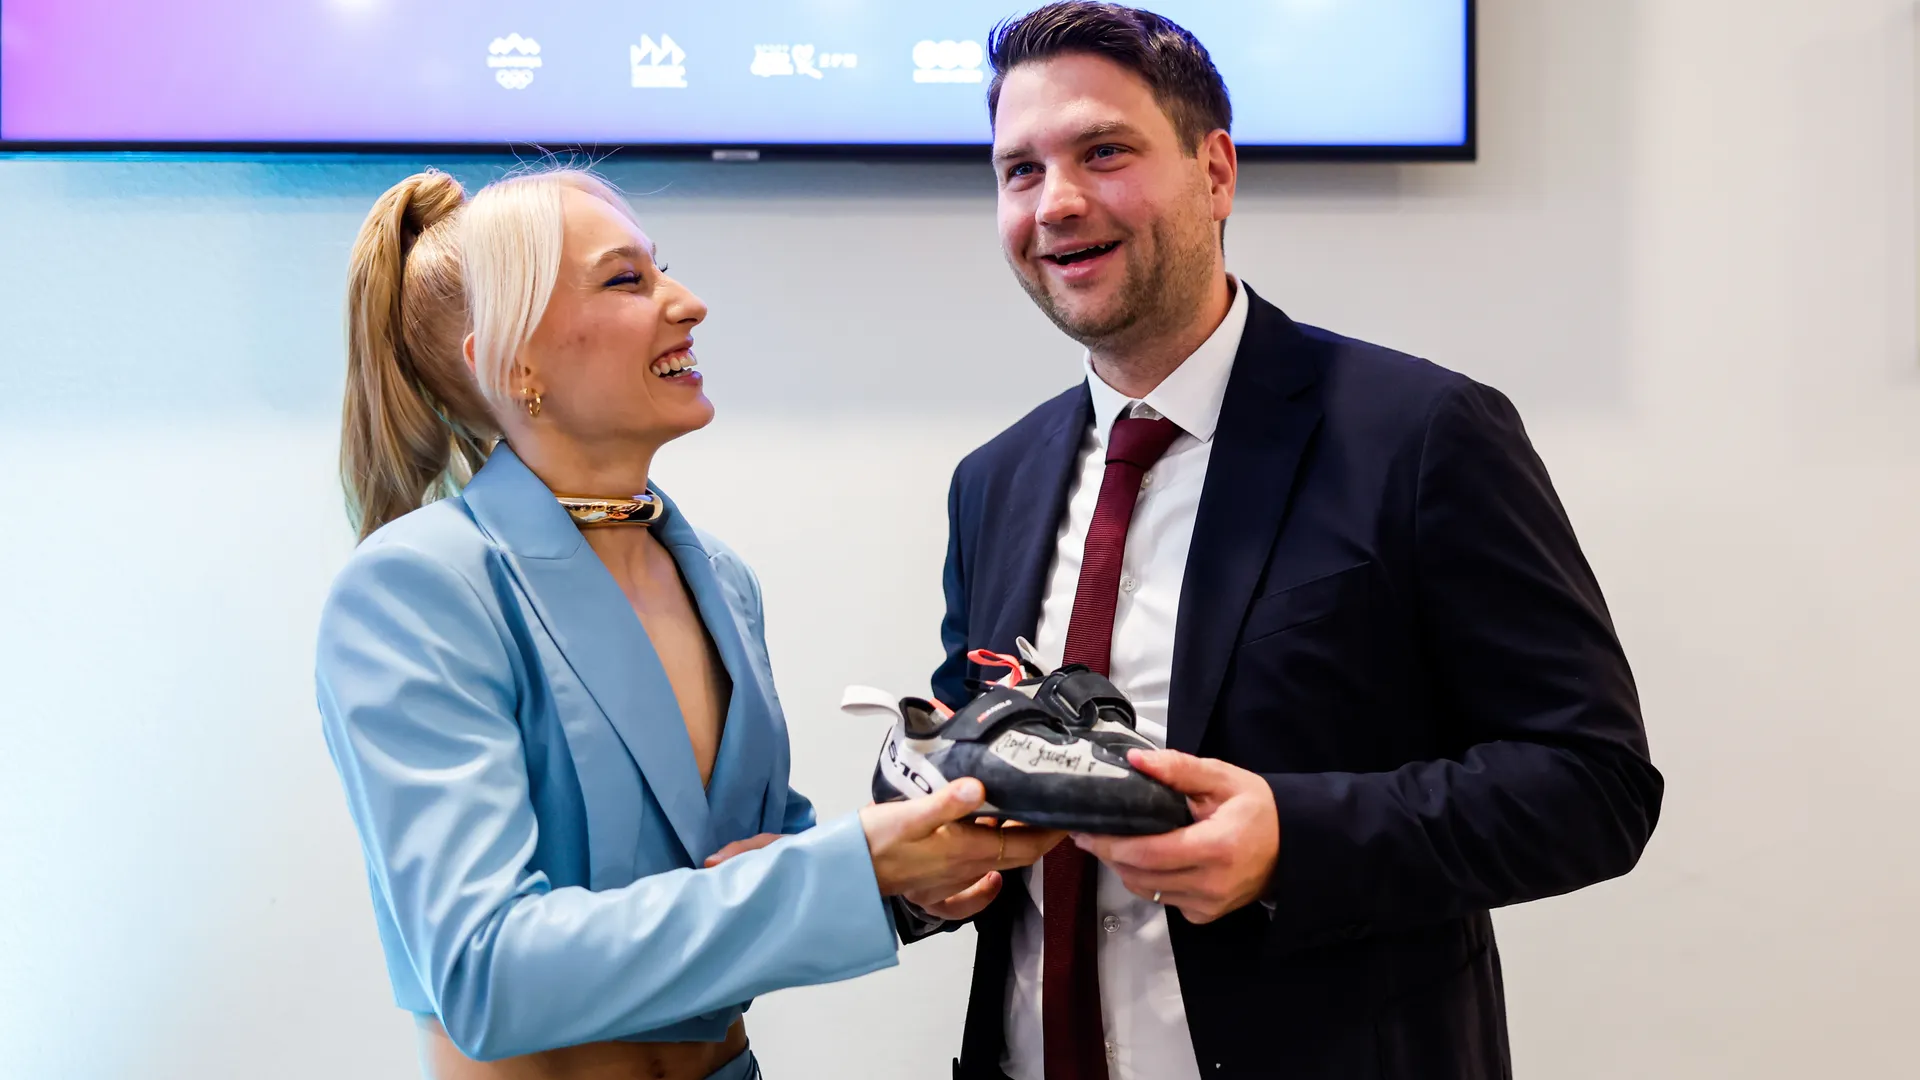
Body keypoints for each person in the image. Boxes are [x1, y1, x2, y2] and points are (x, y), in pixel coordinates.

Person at [900, 5, 1666, 1079]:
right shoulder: (994, 481)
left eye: (1104, 152)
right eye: (1019, 170)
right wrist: (915, 869)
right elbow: (977, 760)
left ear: (1215, 172)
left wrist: (1291, 842)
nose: (1056, 201)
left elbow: (1593, 785)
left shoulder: (1422, 436)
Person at [315, 165, 1061, 1080]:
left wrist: (913, 882)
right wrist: (854, 868)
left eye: (661, 269)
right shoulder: (419, 587)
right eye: (627, 279)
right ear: (514, 364)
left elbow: (751, 866)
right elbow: (486, 973)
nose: (689, 302)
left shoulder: (721, 580)